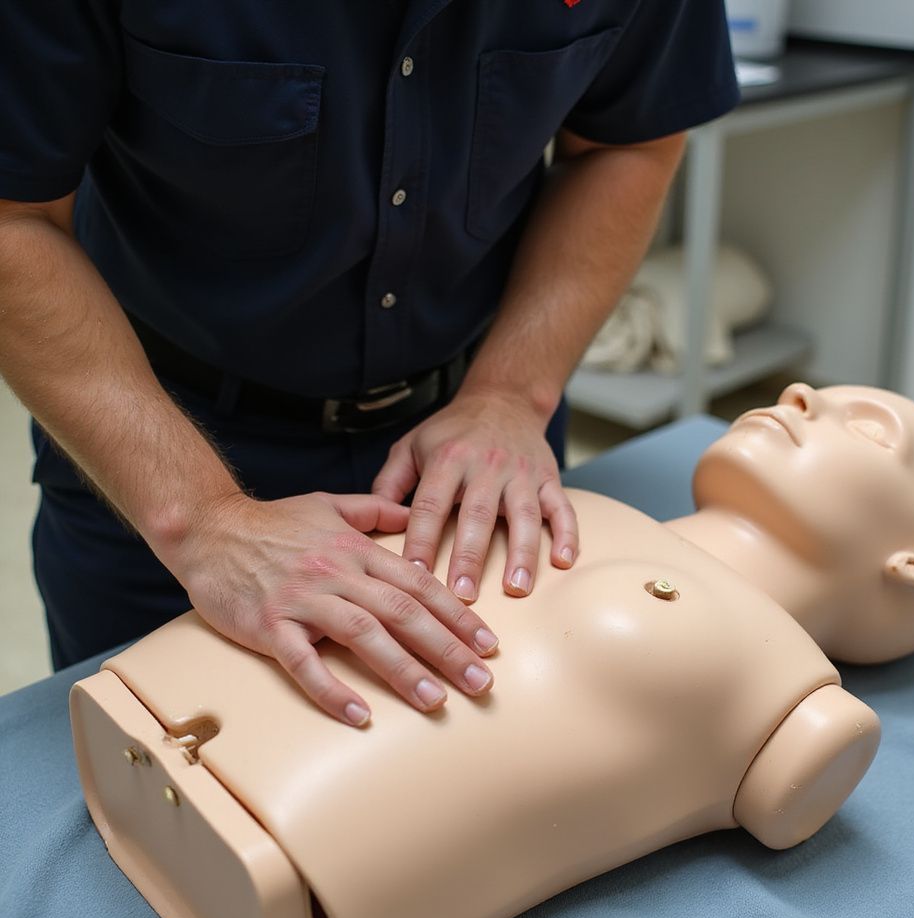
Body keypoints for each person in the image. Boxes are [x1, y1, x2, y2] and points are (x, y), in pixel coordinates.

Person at [71, 382, 914, 918]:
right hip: (156, 700)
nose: (798, 396)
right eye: (814, 394)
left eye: (865, 428)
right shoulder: (591, 504)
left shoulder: (799, 693)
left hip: (286, 863)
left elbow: (792, 790)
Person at [0, 2, 740, 725]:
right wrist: (200, 519)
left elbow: (627, 140)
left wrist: (513, 392)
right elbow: (12, 219)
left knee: (500, 757)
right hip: (160, 443)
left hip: (473, 444)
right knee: (164, 803)